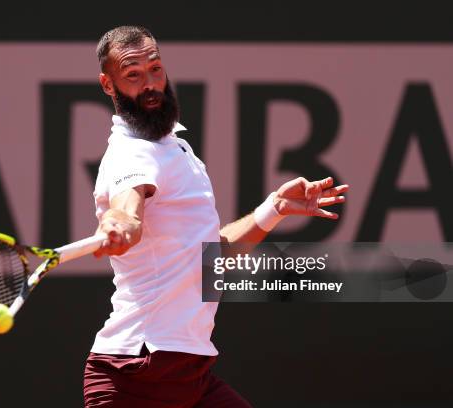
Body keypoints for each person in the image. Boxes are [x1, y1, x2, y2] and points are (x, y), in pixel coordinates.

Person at [84, 26, 349, 407]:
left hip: (189, 373)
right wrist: (120, 224)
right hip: (136, 373)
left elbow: (211, 258)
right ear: (108, 85)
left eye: (155, 69)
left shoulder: (176, 149)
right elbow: (128, 209)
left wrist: (274, 208)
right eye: (133, 75)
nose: (150, 85)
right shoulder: (131, 154)